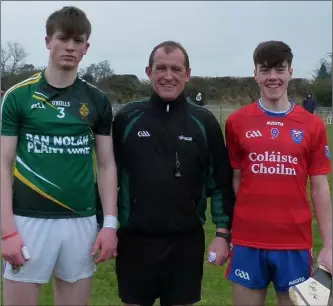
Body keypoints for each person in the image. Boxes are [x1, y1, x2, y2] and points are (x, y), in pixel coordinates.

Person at [1, 6, 118, 306]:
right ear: (47, 41)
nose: (70, 46)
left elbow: (106, 165)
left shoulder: (97, 100)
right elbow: (2, 163)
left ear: (86, 47)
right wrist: (6, 231)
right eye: (63, 38)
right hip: (28, 220)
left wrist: (109, 225)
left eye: (78, 41)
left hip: (81, 221)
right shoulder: (18, 97)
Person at [112, 40, 235, 306]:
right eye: (161, 68)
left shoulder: (204, 122)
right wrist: (104, 226)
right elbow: (109, 177)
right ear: (149, 72)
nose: (169, 76)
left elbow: (221, 183)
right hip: (135, 241)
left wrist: (223, 234)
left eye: (176, 69)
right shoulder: (126, 118)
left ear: (187, 74)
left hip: (185, 243)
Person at [224, 40, 332, 306]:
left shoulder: (313, 126)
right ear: (256, 74)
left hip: (294, 243)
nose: (273, 77)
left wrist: (329, 245)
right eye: (265, 70)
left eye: (279, 69)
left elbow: (320, 188)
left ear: (290, 72)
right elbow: (235, 182)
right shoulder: (236, 123)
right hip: (248, 241)